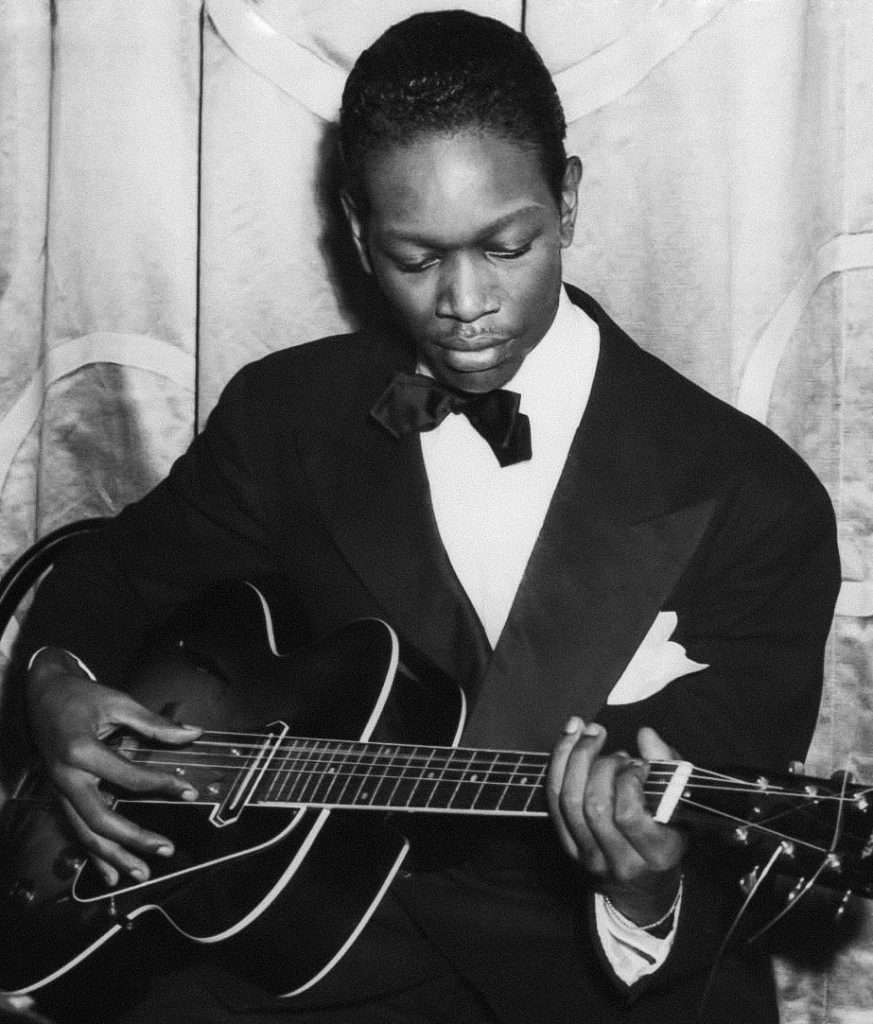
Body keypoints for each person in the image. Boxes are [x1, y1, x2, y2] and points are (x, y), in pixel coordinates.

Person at [17, 10, 839, 1024]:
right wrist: (55, 681)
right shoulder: (288, 415)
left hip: (597, 984)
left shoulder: (755, 500)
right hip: (292, 954)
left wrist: (645, 888)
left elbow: (717, 871)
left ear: (569, 199)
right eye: (415, 258)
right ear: (359, 234)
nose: (464, 303)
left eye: (507, 247)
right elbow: (114, 578)